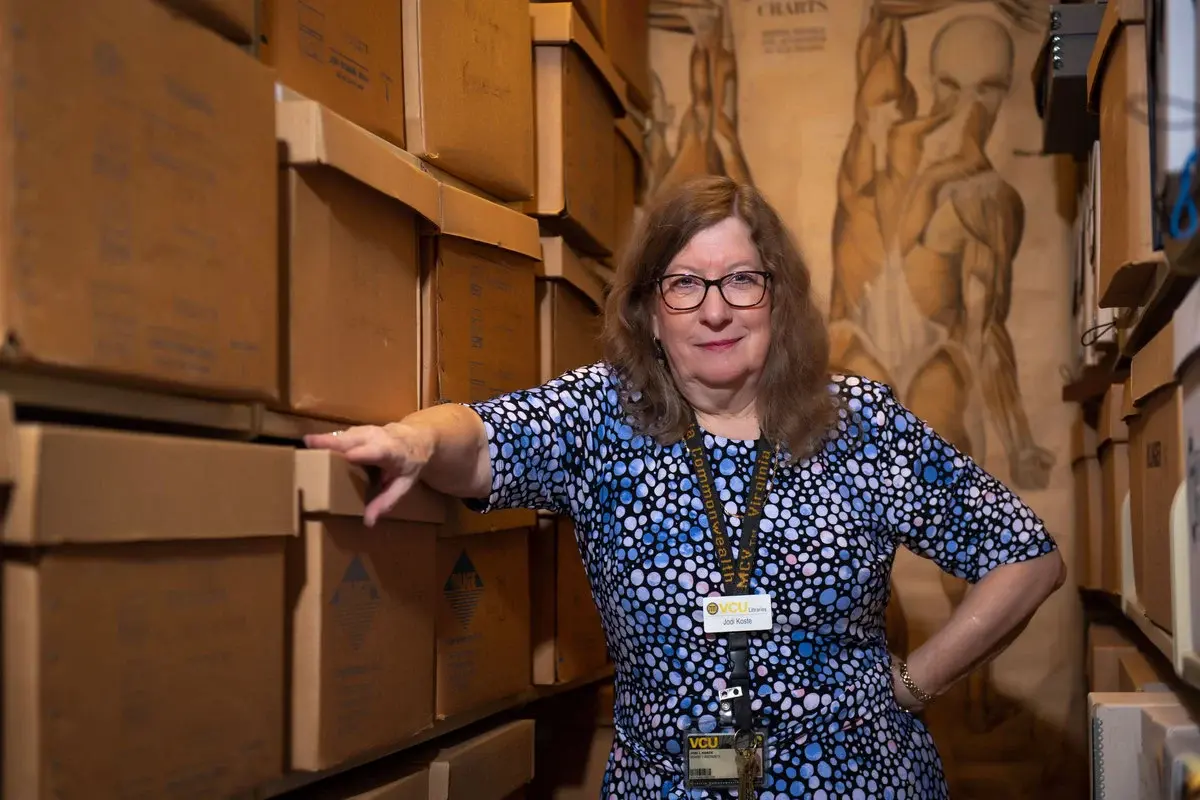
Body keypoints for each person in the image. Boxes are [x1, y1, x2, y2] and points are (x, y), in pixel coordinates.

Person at [305, 176, 1066, 799]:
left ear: (778, 297)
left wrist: (910, 686)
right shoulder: (601, 418)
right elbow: (480, 439)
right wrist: (415, 440)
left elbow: (1027, 558)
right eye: (685, 284)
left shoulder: (856, 423)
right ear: (648, 310)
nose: (714, 308)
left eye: (740, 280)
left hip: (860, 781)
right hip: (668, 785)